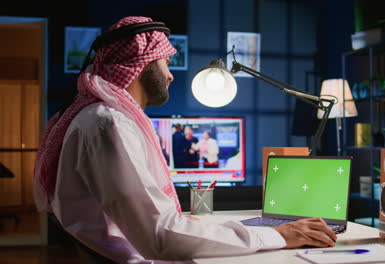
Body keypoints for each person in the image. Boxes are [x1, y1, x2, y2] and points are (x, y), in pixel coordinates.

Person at [33, 16, 336, 264]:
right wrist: (279, 235)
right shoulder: (108, 124)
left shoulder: (101, 117)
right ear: (143, 64)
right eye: (165, 63)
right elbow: (161, 237)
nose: (170, 75)